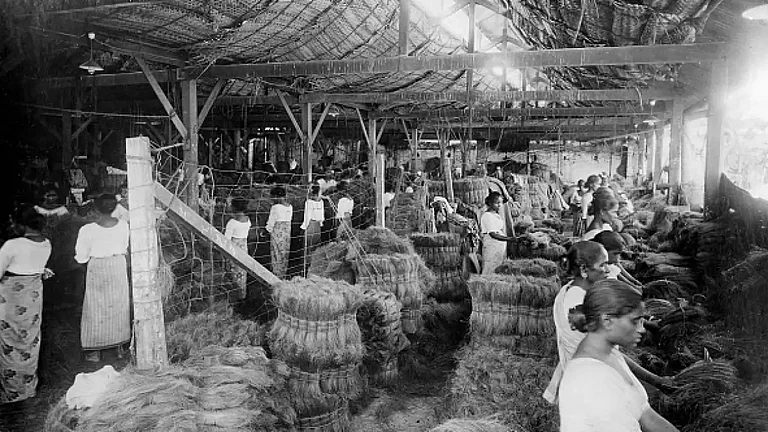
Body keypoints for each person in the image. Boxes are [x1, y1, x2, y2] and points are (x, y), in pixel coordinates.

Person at [544, 241, 671, 405]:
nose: (608, 270)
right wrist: (656, 380)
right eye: (603, 265)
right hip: (590, 375)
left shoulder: (582, 291)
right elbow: (606, 352)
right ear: (584, 270)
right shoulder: (576, 300)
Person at [559, 280, 679, 432]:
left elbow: (645, 413)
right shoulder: (592, 380)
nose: (642, 329)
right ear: (607, 321)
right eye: (635, 321)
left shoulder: (611, 356)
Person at [0, 206, 52, 404]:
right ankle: (28, 388)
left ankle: (11, 393)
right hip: (32, 297)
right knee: (29, 340)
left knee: (10, 341)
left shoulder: (12, 245)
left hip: (11, 299)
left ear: (21, 225)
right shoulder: (46, 243)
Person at [74, 194, 131, 363]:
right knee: (118, 304)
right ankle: (118, 347)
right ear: (115, 208)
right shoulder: (123, 226)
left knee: (95, 305)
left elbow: (82, 256)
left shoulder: (87, 230)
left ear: (96, 209)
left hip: (98, 266)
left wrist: (84, 261)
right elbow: (124, 246)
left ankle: (94, 351)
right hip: (117, 266)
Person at [480, 192, 516, 275]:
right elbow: (493, 234)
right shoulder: (487, 216)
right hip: (492, 246)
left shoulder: (496, 215)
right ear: (490, 203)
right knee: (490, 268)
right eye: (497, 203)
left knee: (498, 268)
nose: (500, 205)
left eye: (501, 203)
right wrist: (509, 239)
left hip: (499, 247)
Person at [224, 198, 251, 298]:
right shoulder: (247, 220)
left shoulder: (232, 223)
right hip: (243, 249)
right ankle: (242, 295)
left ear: (234, 208)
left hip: (233, 250)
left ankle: (233, 295)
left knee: (232, 272)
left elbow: (226, 239)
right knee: (242, 273)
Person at [265, 187, 292, 279]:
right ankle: (282, 274)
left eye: (272, 197)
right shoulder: (290, 207)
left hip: (277, 233)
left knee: (276, 253)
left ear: (277, 196)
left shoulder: (275, 207)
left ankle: (276, 274)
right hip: (286, 234)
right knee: (284, 253)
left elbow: (271, 222)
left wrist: (265, 231)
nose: (271, 199)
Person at [301, 185, 324, 271]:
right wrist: (321, 224)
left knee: (307, 247)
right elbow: (322, 216)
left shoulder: (309, 202)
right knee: (315, 247)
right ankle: (314, 265)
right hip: (318, 226)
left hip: (310, 225)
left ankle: (306, 266)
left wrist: (303, 228)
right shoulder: (321, 202)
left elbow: (307, 217)